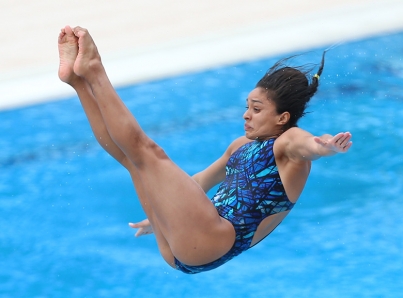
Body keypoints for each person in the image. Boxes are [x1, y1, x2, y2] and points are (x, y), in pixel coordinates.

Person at [58, 25, 352, 274]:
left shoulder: (287, 146)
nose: (246, 115)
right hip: (184, 246)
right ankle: (78, 81)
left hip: (212, 240)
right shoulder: (240, 146)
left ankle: (94, 71)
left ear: (282, 118)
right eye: (247, 106)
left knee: (149, 152)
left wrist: (328, 146)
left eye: (257, 109)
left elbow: (311, 144)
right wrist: (161, 211)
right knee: (132, 160)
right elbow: (198, 182)